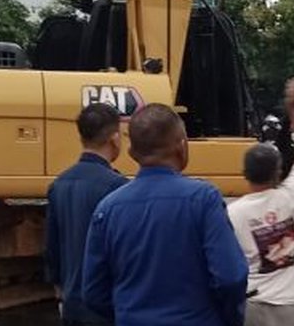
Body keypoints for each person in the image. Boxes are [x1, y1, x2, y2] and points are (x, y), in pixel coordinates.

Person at [82, 104, 248, 326]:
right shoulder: (203, 199)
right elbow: (231, 277)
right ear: (182, 146)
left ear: (131, 153)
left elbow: (93, 292)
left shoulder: (107, 209)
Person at [227, 78, 294, 326]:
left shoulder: (233, 213)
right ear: (278, 172)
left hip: (254, 307)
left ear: (245, 174)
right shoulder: (292, 196)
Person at [46, 103, 128, 326]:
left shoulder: (59, 184)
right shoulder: (117, 186)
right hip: (106, 306)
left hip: (72, 304)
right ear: (114, 138)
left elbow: (53, 247)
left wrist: (60, 291)